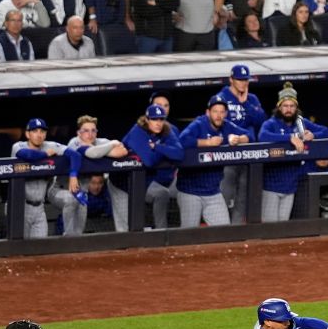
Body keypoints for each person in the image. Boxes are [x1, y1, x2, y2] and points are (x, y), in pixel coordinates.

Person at [257, 83, 328, 222]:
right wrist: (290, 138)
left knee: (283, 227)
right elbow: (263, 136)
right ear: (279, 107)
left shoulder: (301, 123)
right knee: (270, 229)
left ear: (296, 108)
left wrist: (313, 135)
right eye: (285, 106)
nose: (288, 109)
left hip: (291, 186)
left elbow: (326, 131)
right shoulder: (271, 123)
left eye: (292, 106)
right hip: (271, 185)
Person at [107, 103, 183, 231]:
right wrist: (165, 151)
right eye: (154, 119)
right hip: (121, 182)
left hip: (143, 180)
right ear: (147, 120)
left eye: (161, 119)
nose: (158, 123)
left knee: (161, 194)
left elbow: (179, 153)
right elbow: (149, 161)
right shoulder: (137, 131)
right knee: (125, 229)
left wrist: (157, 147)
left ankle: (161, 232)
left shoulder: (166, 130)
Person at [177, 96, 252, 227]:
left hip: (213, 192)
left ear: (226, 114)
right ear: (208, 113)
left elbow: (251, 135)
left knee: (224, 232)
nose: (218, 115)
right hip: (190, 191)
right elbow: (182, 140)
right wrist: (207, 142)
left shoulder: (227, 126)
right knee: (189, 237)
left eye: (222, 112)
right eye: (215, 111)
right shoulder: (199, 124)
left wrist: (239, 139)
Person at [10, 118, 82, 237]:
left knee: (40, 248)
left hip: (40, 208)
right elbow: (27, 155)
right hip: (20, 208)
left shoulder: (50, 145)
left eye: (42, 131)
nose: (39, 135)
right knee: (19, 249)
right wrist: (45, 154)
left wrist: (73, 175)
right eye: (35, 131)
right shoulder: (18, 146)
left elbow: (75, 155)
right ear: (27, 134)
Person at [218, 64, 267, 224]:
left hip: (248, 154)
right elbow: (219, 125)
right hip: (227, 154)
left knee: (243, 198)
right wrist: (241, 135)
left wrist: (245, 103)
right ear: (231, 79)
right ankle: (222, 229)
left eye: (246, 80)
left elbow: (260, 122)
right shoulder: (221, 98)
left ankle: (236, 230)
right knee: (225, 195)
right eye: (239, 79)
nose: (243, 83)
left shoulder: (252, 99)